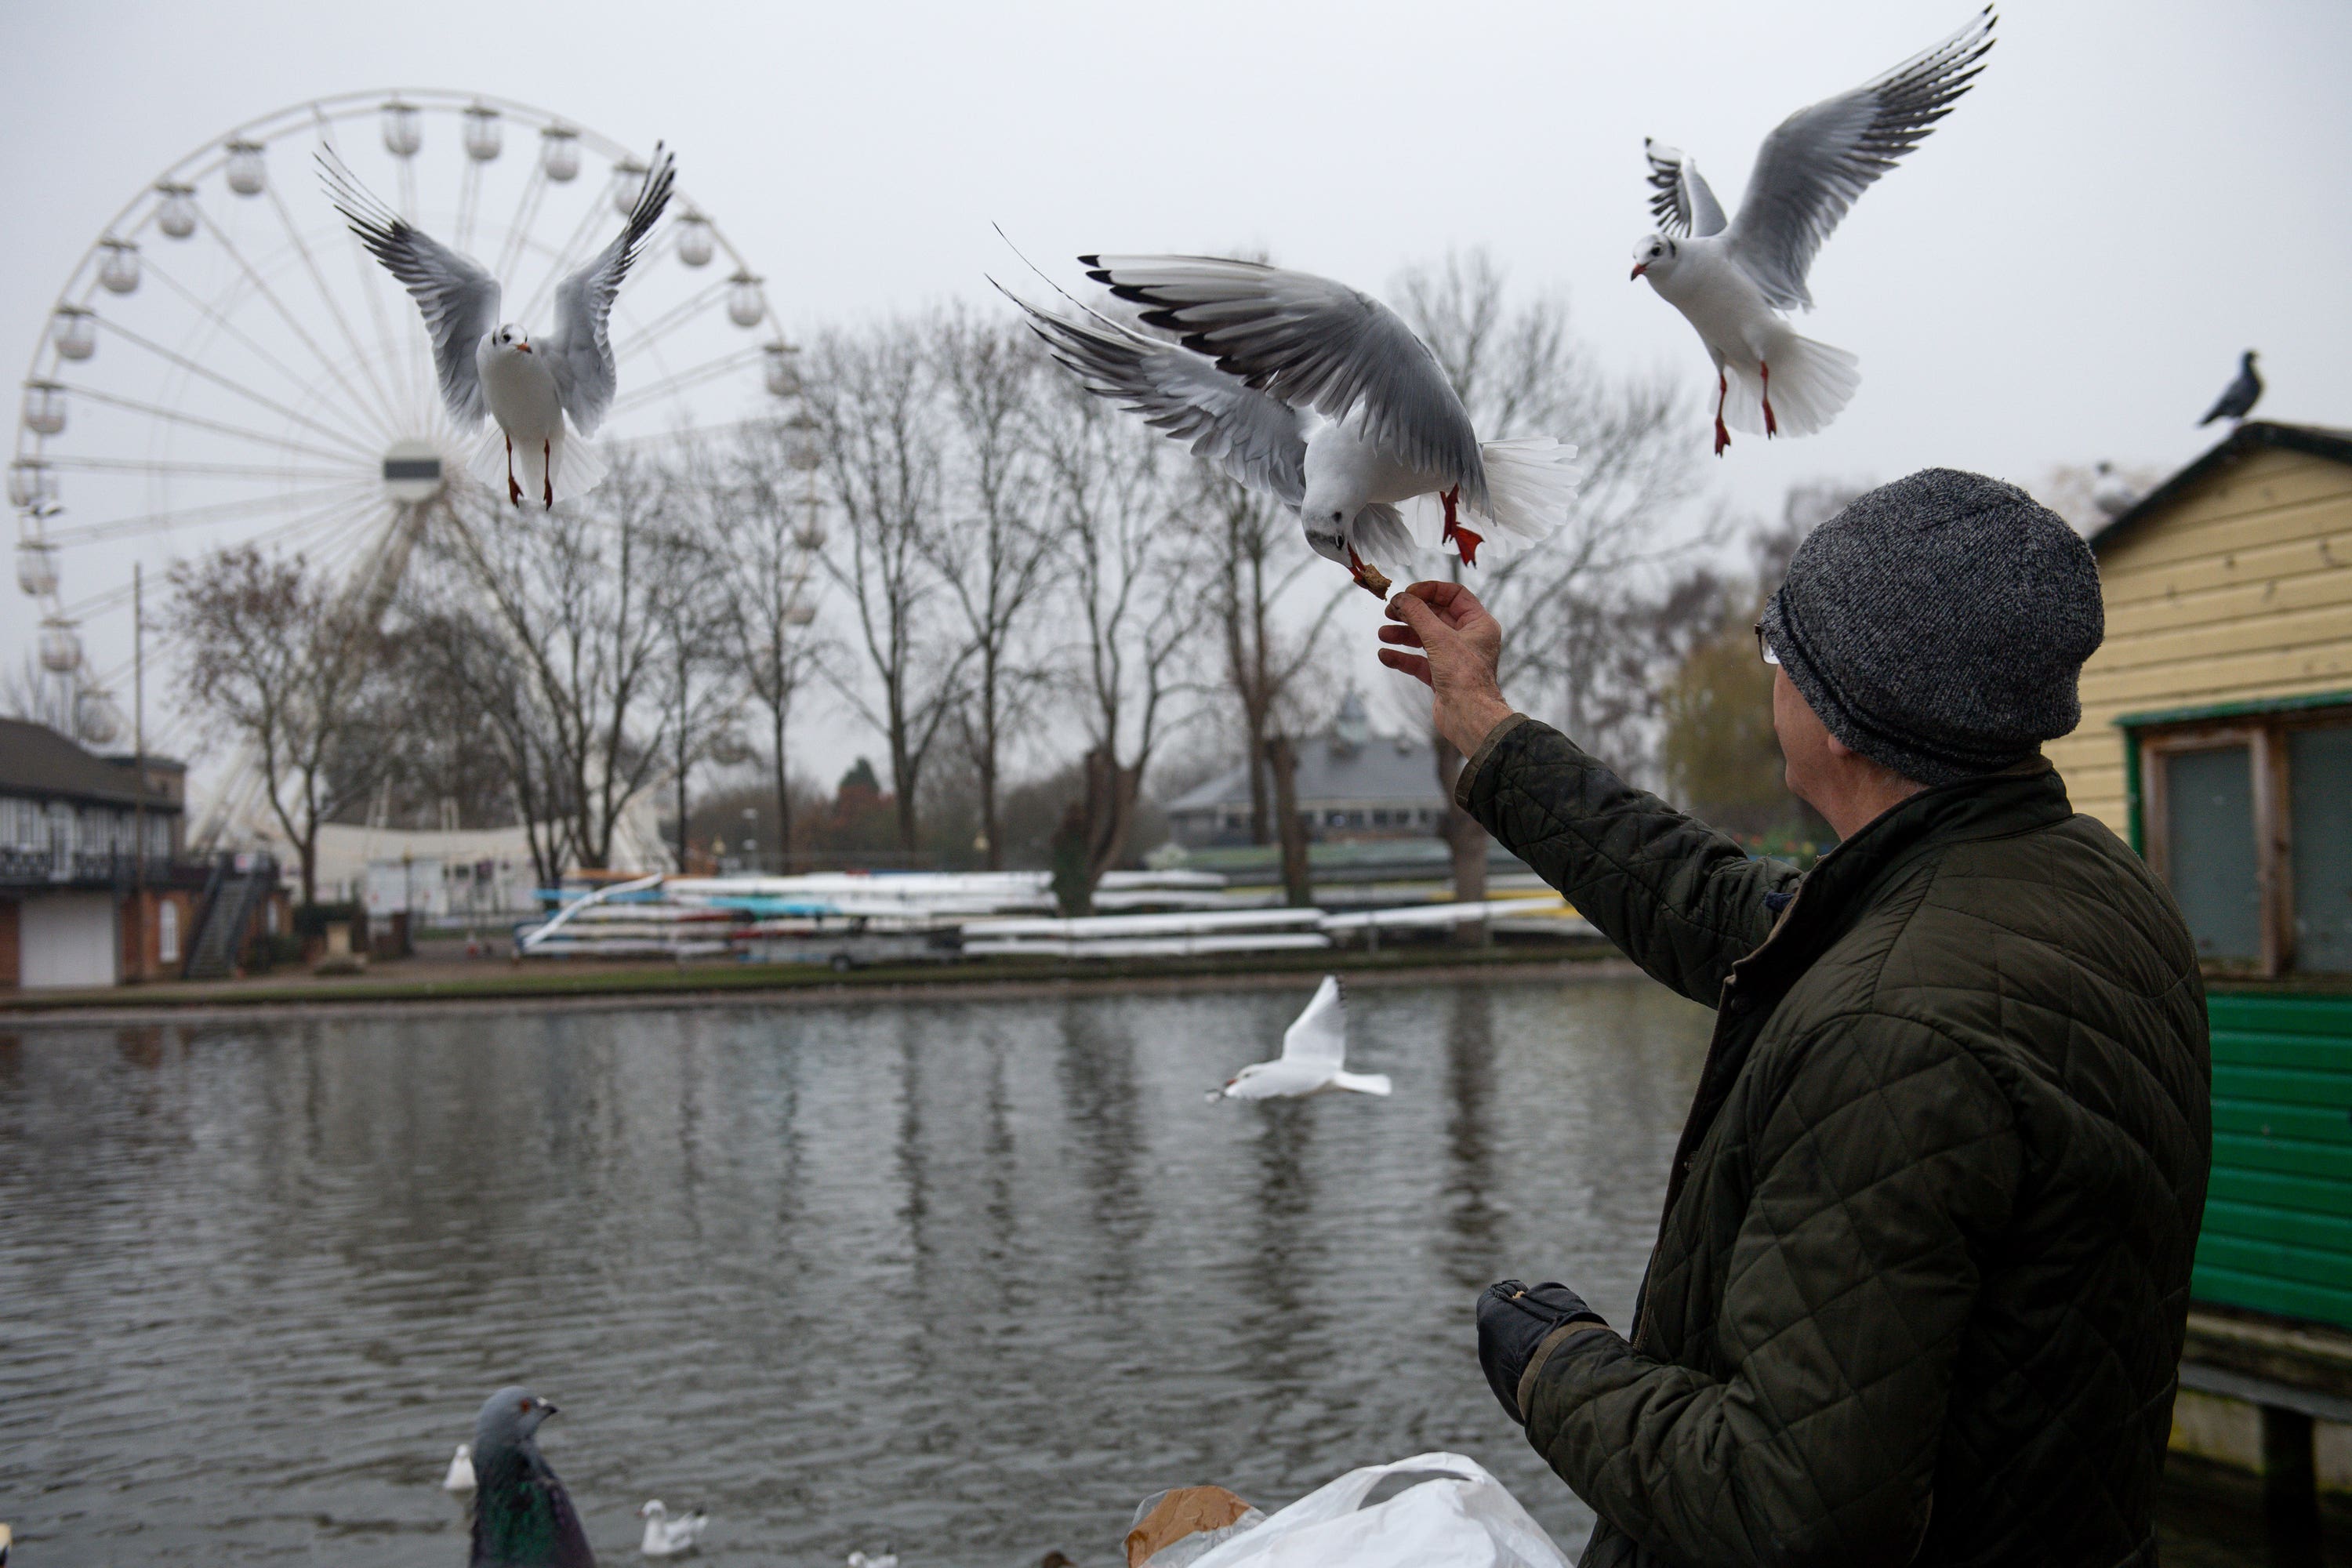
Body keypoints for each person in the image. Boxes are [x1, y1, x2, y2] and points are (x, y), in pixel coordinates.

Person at [1379, 470, 2211, 1567]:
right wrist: (1485, 722)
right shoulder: (2077, 887)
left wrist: (1557, 1369)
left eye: (1783, 652)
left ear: (1844, 716)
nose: (1770, 673)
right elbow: (1730, 910)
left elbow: (1791, 1509)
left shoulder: (1892, 1034)